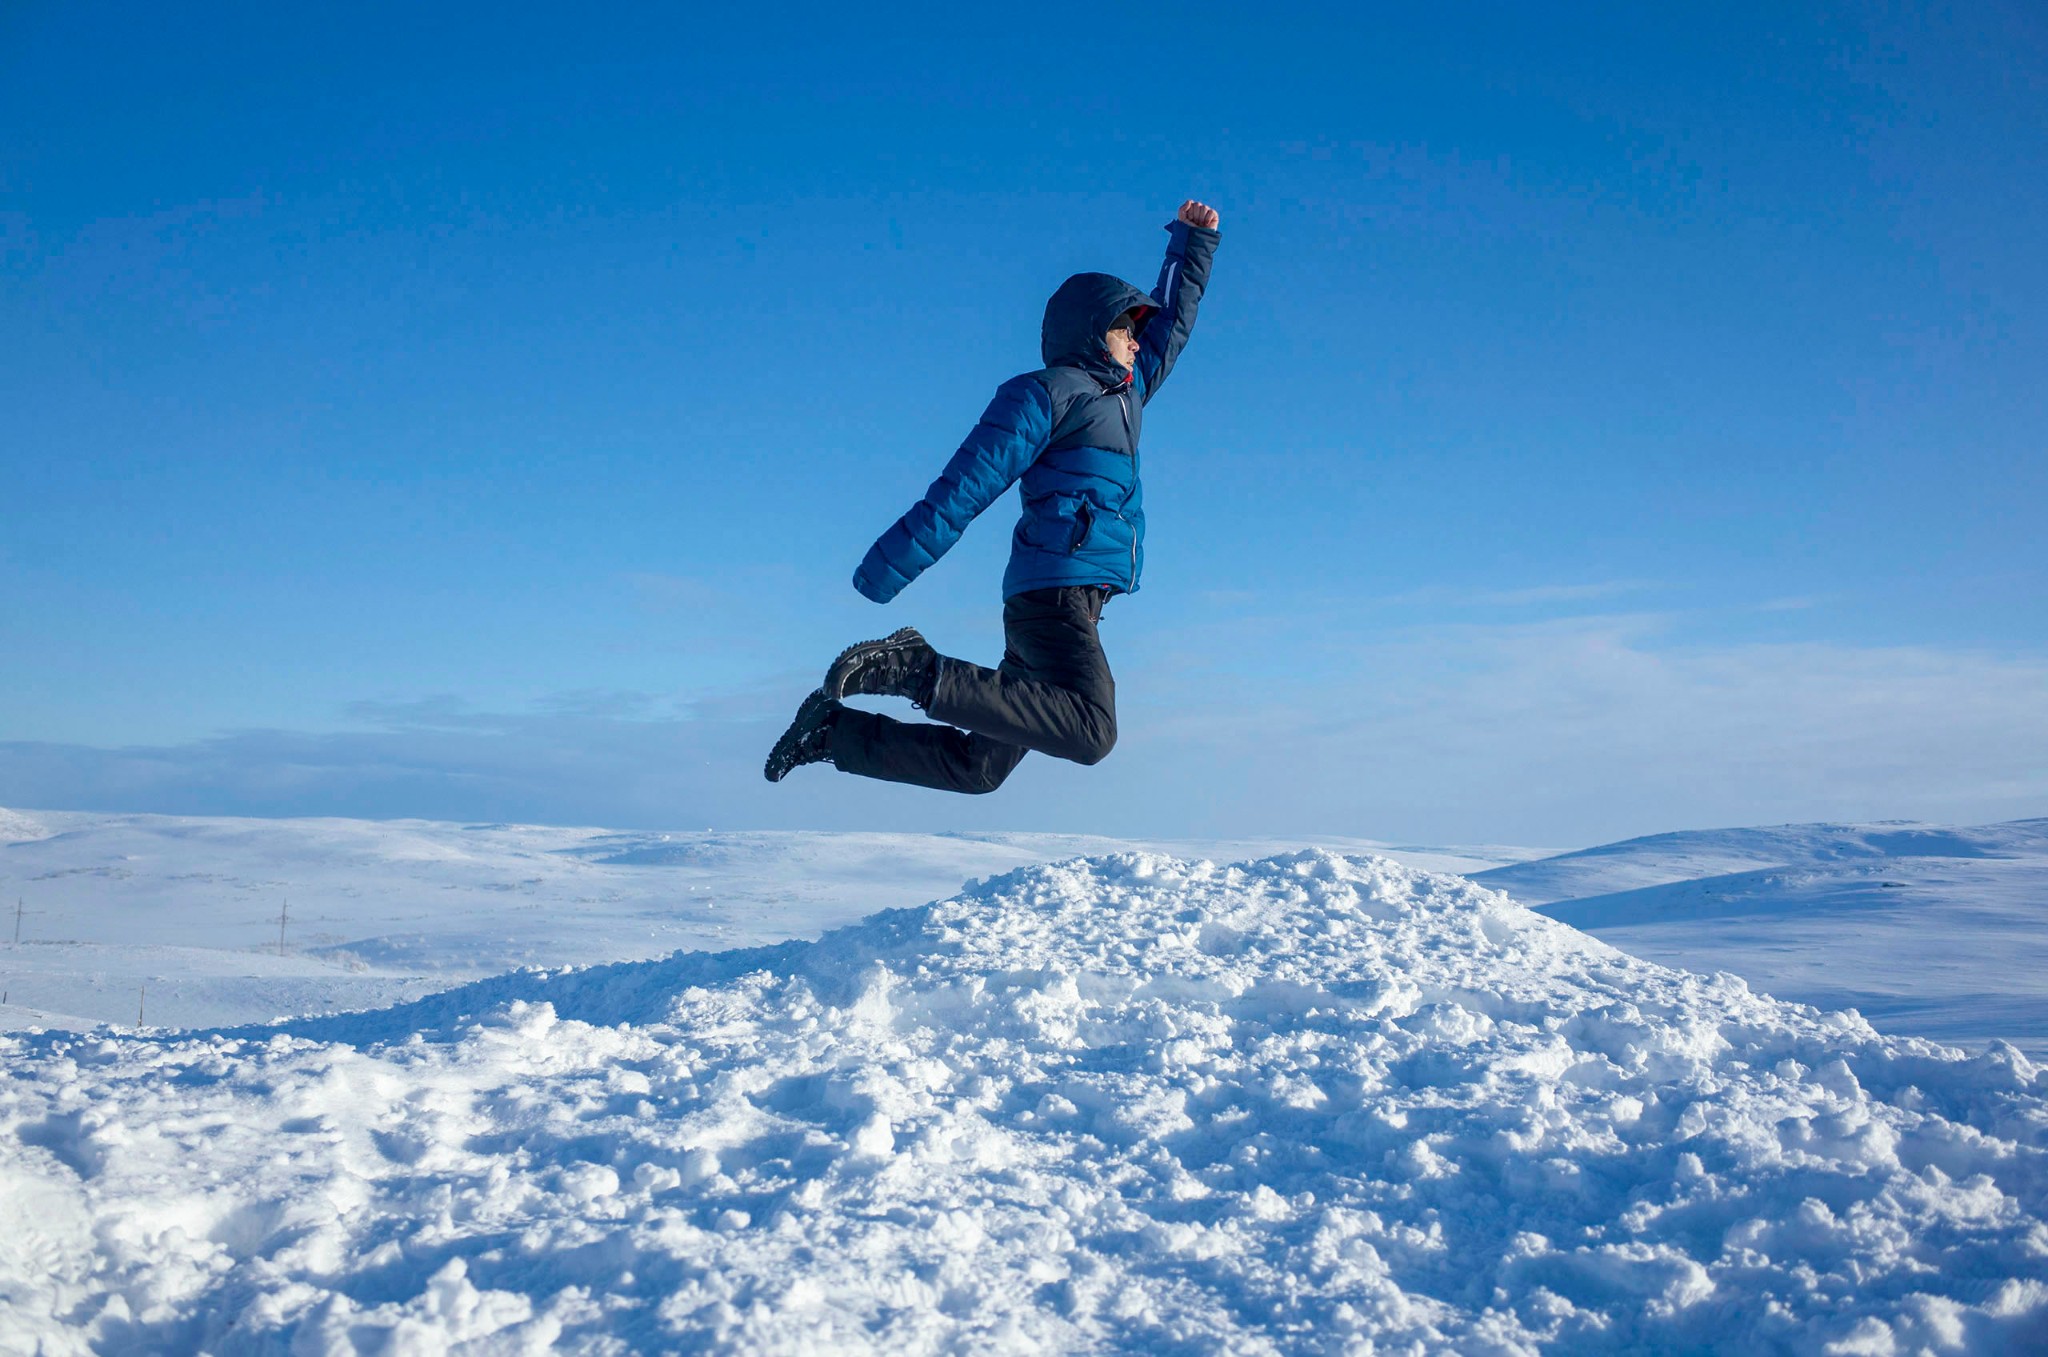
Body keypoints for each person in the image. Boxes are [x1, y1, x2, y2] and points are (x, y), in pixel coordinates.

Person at [766, 199, 1222, 792]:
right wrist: (886, 571)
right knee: (1091, 732)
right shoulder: (1048, 394)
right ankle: (912, 668)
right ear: (1091, 329)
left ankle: (831, 734)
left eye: (1138, 332)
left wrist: (1193, 243)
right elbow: (965, 487)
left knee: (978, 768)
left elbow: (1174, 325)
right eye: (1124, 328)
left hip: (1070, 600)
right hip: (1053, 596)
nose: (1137, 342)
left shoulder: (1124, 399)